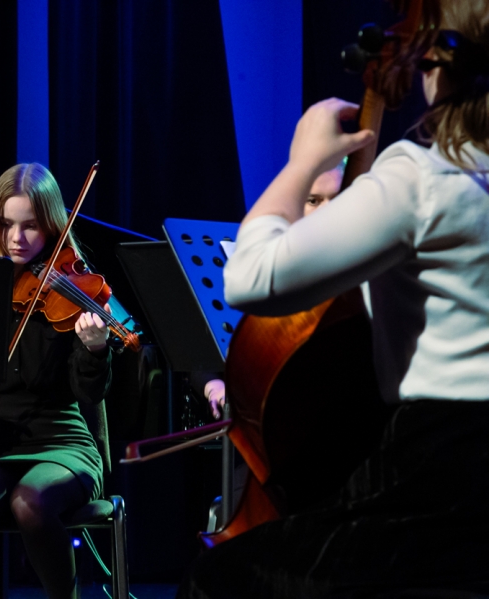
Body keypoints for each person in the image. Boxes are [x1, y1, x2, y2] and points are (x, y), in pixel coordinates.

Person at [181, 1, 489, 596]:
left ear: (437, 62)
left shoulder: (424, 180)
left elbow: (252, 277)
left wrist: (303, 163)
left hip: (443, 479)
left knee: (218, 580)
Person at [0, 163, 112, 599]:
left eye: (30, 226)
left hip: (63, 444)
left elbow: (88, 393)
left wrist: (96, 349)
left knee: (30, 501)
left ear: (53, 226)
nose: (16, 239)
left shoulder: (74, 290)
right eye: (6, 226)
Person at [203, 160, 345, 420]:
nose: (327, 210)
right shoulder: (270, 272)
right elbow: (209, 349)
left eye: (336, 199)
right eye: (314, 200)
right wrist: (214, 385)